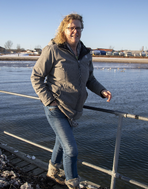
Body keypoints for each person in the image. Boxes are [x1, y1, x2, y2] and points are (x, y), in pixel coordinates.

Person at [31, 13, 112, 189]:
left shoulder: (85, 53)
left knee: (61, 143)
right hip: (56, 108)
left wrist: (102, 91)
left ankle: (52, 172)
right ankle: (72, 183)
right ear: (64, 30)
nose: (75, 31)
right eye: (71, 28)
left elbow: (89, 79)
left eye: (78, 27)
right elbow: (36, 77)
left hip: (74, 111)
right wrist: (49, 101)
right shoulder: (53, 50)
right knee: (71, 150)